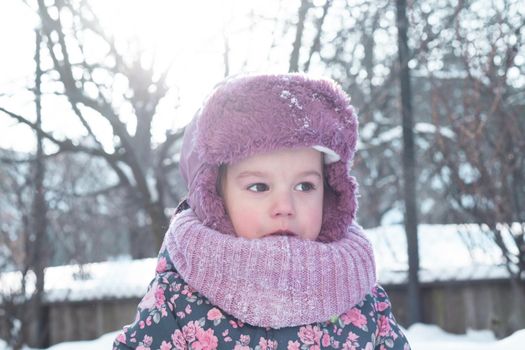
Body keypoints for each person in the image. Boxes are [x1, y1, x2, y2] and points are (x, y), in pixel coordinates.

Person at [113, 74, 411, 349]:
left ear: (332, 194)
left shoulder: (361, 296)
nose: (284, 207)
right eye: (259, 187)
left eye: (305, 186)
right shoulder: (179, 299)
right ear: (215, 197)